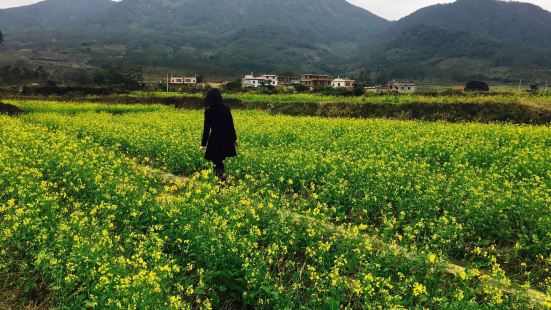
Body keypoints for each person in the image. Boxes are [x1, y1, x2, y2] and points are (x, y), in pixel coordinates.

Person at [199, 89, 238, 181]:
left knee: (217, 160)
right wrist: (234, 138)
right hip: (226, 137)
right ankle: (221, 179)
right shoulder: (226, 109)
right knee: (219, 159)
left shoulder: (208, 111)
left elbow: (207, 129)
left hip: (215, 138)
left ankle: (220, 179)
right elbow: (230, 125)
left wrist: (203, 144)